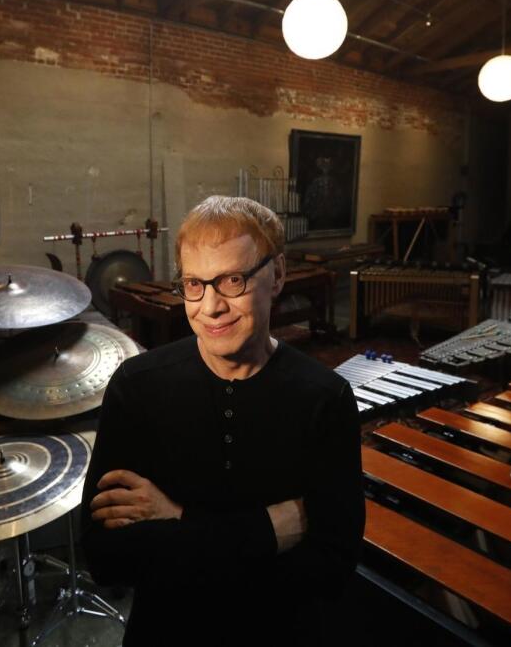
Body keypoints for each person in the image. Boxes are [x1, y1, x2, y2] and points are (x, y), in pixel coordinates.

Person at [80, 196, 364, 646]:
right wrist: (269, 531)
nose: (211, 306)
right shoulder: (136, 387)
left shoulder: (325, 398)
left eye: (233, 280)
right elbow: (106, 558)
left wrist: (175, 523)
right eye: (194, 283)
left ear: (278, 277)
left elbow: (331, 567)